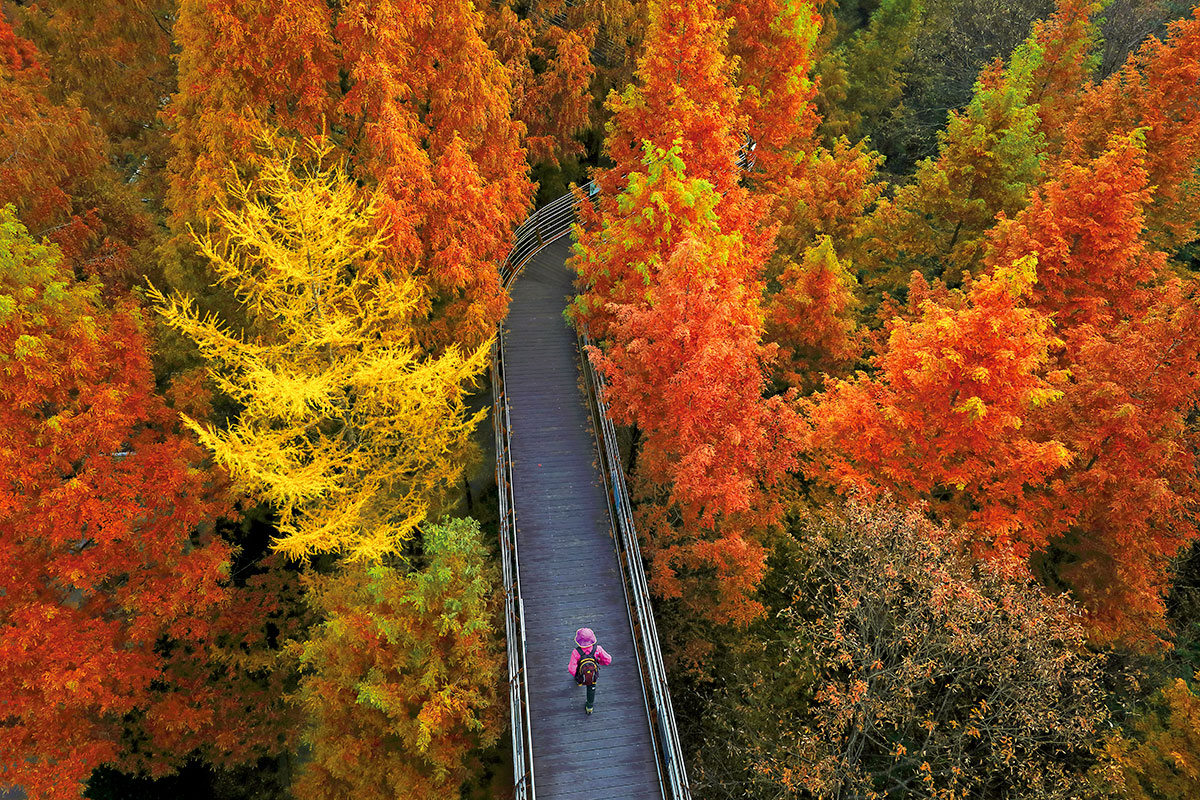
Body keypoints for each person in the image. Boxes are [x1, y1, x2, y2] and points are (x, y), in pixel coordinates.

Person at [567, 627, 612, 714]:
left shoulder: (576, 652)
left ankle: (579, 682)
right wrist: (600, 662)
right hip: (593, 675)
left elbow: (571, 668)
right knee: (591, 688)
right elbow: (608, 660)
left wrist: (577, 675)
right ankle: (589, 707)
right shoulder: (597, 649)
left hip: (581, 675)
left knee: (581, 678)